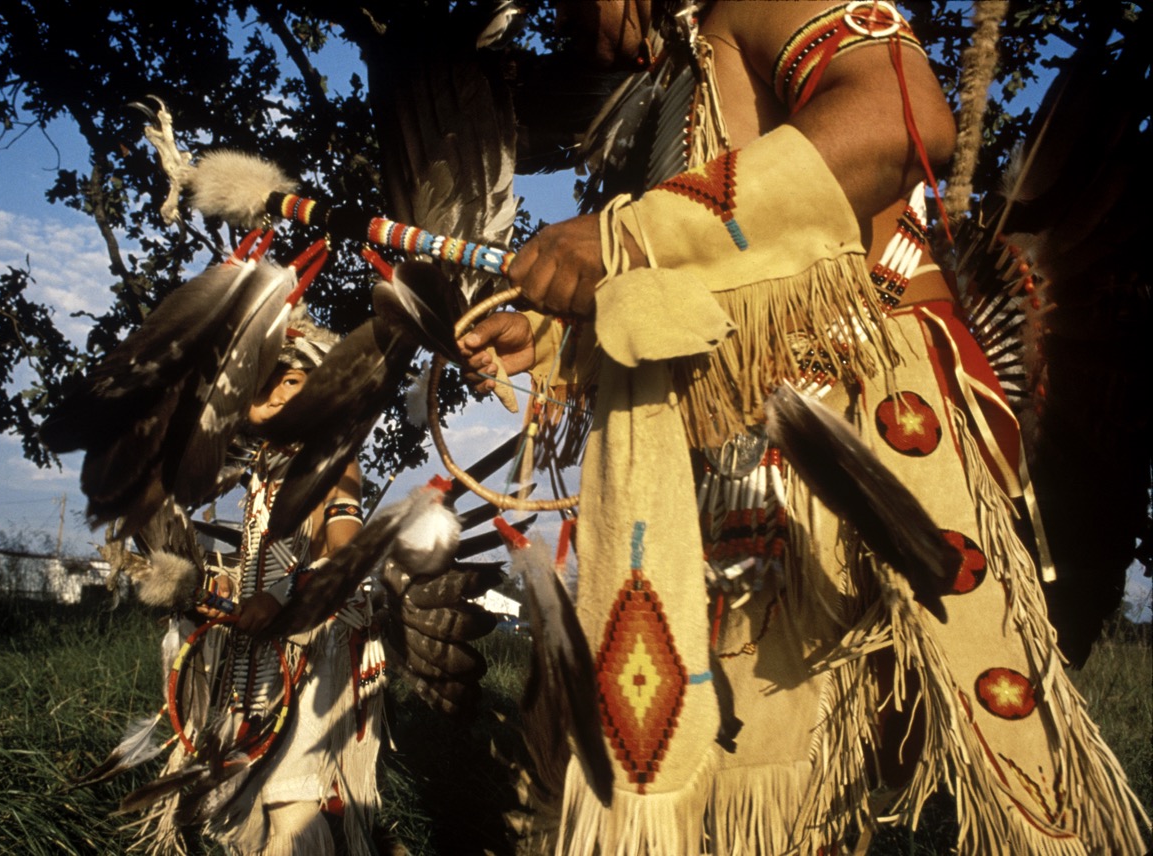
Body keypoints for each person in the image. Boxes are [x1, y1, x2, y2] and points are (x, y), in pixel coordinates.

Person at [460, 2, 1147, 853]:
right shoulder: (678, 68)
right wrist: (565, 333)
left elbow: (902, 120)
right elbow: (717, 279)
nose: (562, 21)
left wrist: (632, 235)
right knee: (709, 771)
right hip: (724, 471)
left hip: (820, 458)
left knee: (787, 788)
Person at [147, 314, 387, 856]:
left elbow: (345, 549)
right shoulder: (261, 473)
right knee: (235, 805)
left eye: (293, 380)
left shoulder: (334, 460)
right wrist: (212, 588)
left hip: (316, 649)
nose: (278, 392)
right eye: (265, 383)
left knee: (292, 806)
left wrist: (280, 597)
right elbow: (258, 560)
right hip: (259, 655)